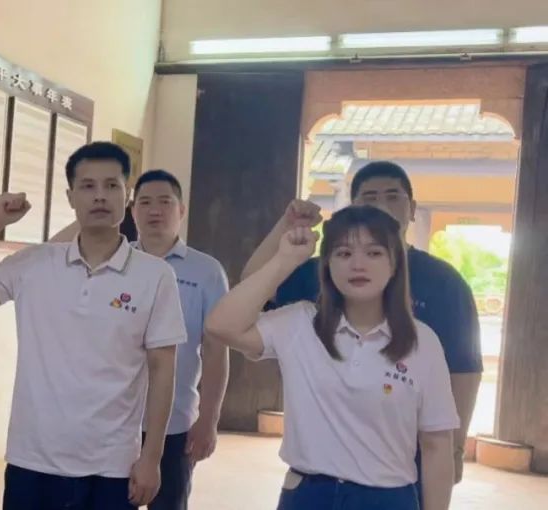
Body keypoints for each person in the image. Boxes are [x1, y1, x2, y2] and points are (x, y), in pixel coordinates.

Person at [0, 142, 187, 509]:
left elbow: (163, 369)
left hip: (112, 464)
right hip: (33, 459)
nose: (99, 196)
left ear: (126, 196)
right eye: (88, 186)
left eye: (111, 185)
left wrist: (151, 457)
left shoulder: (155, 276)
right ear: (71, 197)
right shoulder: (34, 264)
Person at [242, 161, 481, 485]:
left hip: (405, 452)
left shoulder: (445, 282)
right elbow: (252, 286)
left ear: (412, 209)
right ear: (354, 208)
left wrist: (455, 446)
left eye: (393, 196)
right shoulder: (324, 270)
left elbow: (464, 368)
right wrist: (287, 228)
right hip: (327, 456)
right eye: (370, 198)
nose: (382, 205)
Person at [206, 205, 458, 510]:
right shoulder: (299, 323)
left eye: (374, 253)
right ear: (327, 265)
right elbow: (220, 326)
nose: (358, 264)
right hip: (309, 495)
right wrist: (285, 261)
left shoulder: (422, 341)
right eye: (343, 253)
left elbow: (436, 445)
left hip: (388, 498)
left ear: (395, 264)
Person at [52, 169, 230, 509]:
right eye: (144, 202)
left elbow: (215, 350)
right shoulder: (111, 264)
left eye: (165, 202)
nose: (154, 211)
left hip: (175, 423)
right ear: (131, 211)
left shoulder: (207, 272)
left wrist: (209, 419)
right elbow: (52, 255)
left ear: (181, 210)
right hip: (115, 423)